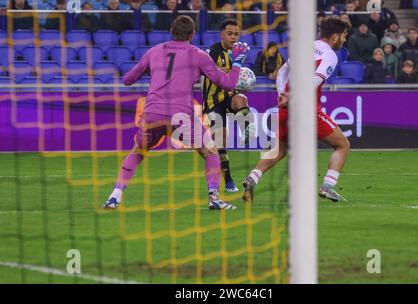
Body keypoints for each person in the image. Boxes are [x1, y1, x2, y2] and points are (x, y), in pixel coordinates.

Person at [103, 15, 250, 210]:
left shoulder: (153, 52)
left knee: (137, 152)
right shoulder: (198, 55)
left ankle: (115, 196)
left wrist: (153, 70)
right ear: (192, 34)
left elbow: (128, 80)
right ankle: (214, 197)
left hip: (152, 113)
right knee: (211, 151)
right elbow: (228, 83)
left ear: (171, 32)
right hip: (180, 116)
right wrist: (238, 62)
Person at [242, 17, 351, 203]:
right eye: (344, 36)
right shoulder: (330, 55)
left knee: (280, 150)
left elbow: (283, 71)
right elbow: (314, 81)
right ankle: (327, 186)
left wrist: (282, 94)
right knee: (343, 145)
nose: (344, 40)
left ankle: (252, 178)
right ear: (334, 37)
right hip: (306, 109)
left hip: (286, 108)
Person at [202, 19, 254, 193]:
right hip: (212, 101)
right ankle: (229, 179)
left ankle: (246, 128)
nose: (233, 37)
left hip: (228, 95)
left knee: (241, 99)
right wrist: (222, 72)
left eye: (236, 34)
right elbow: (205, 71)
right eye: (230, 33)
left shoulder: (236, 53)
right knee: (221, 139)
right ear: (222, 34)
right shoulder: (213, 51)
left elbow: (234, 79)